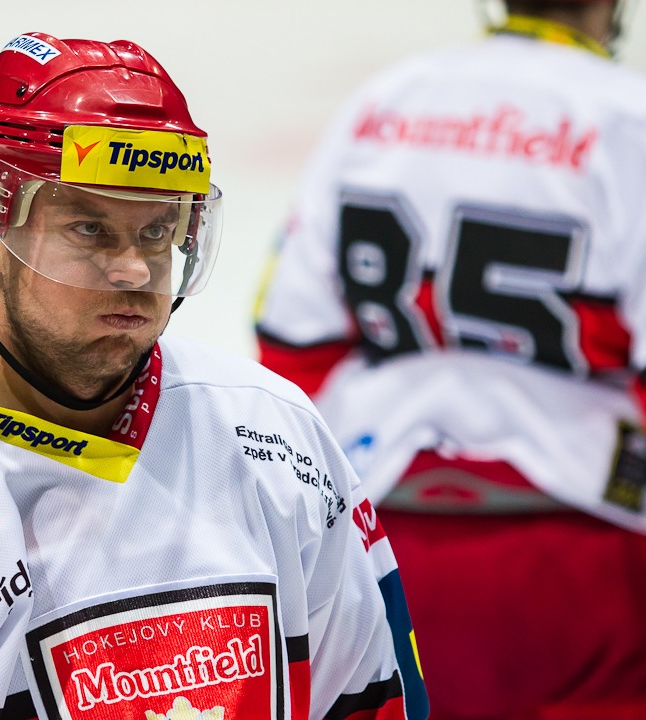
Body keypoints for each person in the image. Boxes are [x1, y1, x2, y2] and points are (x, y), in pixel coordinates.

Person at [0, 31, 428, 720]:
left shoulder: (279, 440)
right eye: (89, 229)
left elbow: (374, 701)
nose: (133, 269)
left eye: (157, 230)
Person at [254, 1, 646, 718]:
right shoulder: (629, 119)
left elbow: (290, 345)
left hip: (380, 548)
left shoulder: (384, 101)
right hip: (582, 555)